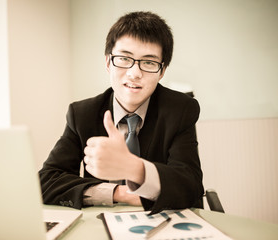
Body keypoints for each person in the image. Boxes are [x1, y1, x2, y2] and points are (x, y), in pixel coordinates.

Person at [39, 11, 204, 214]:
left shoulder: (180, 109)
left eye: (149, 62)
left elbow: (191, 185)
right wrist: (119, 193)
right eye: (124, 59)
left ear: (162, 71)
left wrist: (134, 168)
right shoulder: (82, 114)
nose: (134, 73)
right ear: (108, 62)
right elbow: (46, 180)